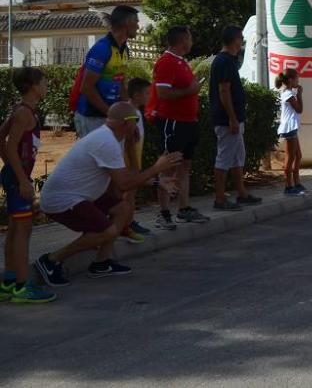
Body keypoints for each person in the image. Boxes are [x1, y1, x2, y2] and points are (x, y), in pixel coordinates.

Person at [36, 103, 182, 286]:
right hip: (62, 201)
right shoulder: (106, 141)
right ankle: (51, 260)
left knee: (122, 208)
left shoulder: (113, 138)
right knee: (107, 231)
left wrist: (156, 181)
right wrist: (157, 169)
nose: (138, 126)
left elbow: (120, 181)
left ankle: (101, 263)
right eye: (136, 121)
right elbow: (124, 184)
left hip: (82, 196)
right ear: (126, 123)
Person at [0, 68, 55, 304]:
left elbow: (0, 137)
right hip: (18, 177)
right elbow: (11, 146)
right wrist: (21, 178)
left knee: (15, 229)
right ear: (33, 85)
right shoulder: (24, 113)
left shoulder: (20, 110)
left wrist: (12, 171)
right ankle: (22, 286)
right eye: (43, 82)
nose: (46, 86)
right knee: (23, 231)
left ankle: (9, 282)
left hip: (14, 174)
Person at [149, 25, 209, 229]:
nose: (192, 41)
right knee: (168, 165)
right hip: (173, 121)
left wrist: (192, 91)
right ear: (182, 40)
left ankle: (184, 209)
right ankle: (163, 213)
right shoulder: (166, 62)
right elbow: (163, 93)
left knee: (185, 166)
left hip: (188, 121)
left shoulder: (181, 62)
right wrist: (190, 90)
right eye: (190, 38)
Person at [209, 26, 263, 211]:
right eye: (241, 38)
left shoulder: (229, 61)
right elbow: (224, 91)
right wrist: (231, 117)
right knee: (224, 158)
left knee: (238, 157)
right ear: (235, 40)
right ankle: (220, 198)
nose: (242, 41)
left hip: (234, 119)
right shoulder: (224, 61)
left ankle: (241, 193)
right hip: (226, 120)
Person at [74, 5, 138, 138]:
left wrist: (129, 116)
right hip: (92, 117)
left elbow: (120, 83)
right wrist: (111, 113)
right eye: (136, 22)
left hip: (109, 117)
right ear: (127, 23)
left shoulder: (124, 50)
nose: (138, 26)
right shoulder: (102, 48)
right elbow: (86, 88)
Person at [120, 78, 152, 245]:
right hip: (129, 161)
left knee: (132, 193)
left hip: (135, 159)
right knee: (128, 193)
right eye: (147, 93)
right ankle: (125, 224)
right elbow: (129, 141)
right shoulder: (130, 112)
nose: (149, 96)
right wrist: (133, 166)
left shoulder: (137, 111)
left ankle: (129, 222)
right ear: (136, 94)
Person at [276, 68, 305, 196]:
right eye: (297, 78)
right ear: (290, 80)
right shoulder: (288, 94)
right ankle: (288, 186)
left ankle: (297, 182)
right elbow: (299, 109)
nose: (298, 81)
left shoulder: (289, 92)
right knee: (290, 158)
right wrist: (299, 94)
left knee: (298, 156)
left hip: (292, 128)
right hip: (289, 129)